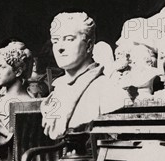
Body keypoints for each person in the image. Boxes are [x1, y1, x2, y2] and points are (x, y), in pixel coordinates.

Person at [40, 12, 123, 140]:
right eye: (55, 41)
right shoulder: (59, 89)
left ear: (89, 46)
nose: (60, 48)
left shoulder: (107, 90)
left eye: (69, 39)